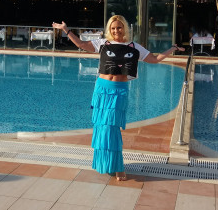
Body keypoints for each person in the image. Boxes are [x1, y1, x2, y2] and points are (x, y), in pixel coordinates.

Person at [52, 15, 184, 182]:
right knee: (102, 127)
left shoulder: (134, 47)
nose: (116, 31)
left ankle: (117, 166)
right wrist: (66, 30)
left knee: (111, 128)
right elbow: (81, 44)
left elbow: (154, 59)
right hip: (102, 89)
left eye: (119, 27)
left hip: (119, 91)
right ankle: (107, 163)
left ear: (124, 28)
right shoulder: (103, 43)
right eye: (113, 28)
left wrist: (171, 49)